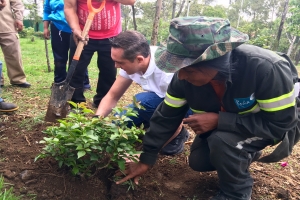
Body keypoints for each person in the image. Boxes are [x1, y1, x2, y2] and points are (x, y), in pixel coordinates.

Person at [116, 16, 300, 200]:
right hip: (237, 124)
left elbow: (280, 124)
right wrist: (146, 158)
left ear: (216, 63)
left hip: (275, 123)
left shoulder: (266, 69)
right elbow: (166, 117)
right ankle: (244, 150)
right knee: (199, 161)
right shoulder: (183, 79)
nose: (180, 77)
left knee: (222, 142)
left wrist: (220, 121)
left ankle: (235, 193)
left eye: (188, 70)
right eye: (178, 69)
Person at [94, 30, 190, 155]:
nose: (115, 66)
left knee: (143, 102)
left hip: (186, 105)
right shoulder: (131, 61)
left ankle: (179, 135)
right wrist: (95, 123)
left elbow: (177, 114)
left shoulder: (168, 72)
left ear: (139, 59)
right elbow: (112, 96)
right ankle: (151, 124)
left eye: (120, 63)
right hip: (162, 98)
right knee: (117, 124)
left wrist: (147, 154)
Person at [64, 0, 135, 107]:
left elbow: (131, 1)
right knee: (76, 70)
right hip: (83, 34)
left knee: (109, 72)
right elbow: (69, 8)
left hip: (111, 35)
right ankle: (76, 103)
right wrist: (75, 29)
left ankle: (103, 102)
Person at [43, 0, 91, 90]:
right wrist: (45, 27)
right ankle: (59, 82)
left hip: (77, 28)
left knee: (79, 56)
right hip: (58, 27)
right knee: (59, 58)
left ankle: (83, 83)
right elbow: (47, 9)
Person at [0, 0, 31, 88]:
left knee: (14, 53)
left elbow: (17, 3)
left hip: (7, 24)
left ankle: (17, 79)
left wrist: (18, 18)